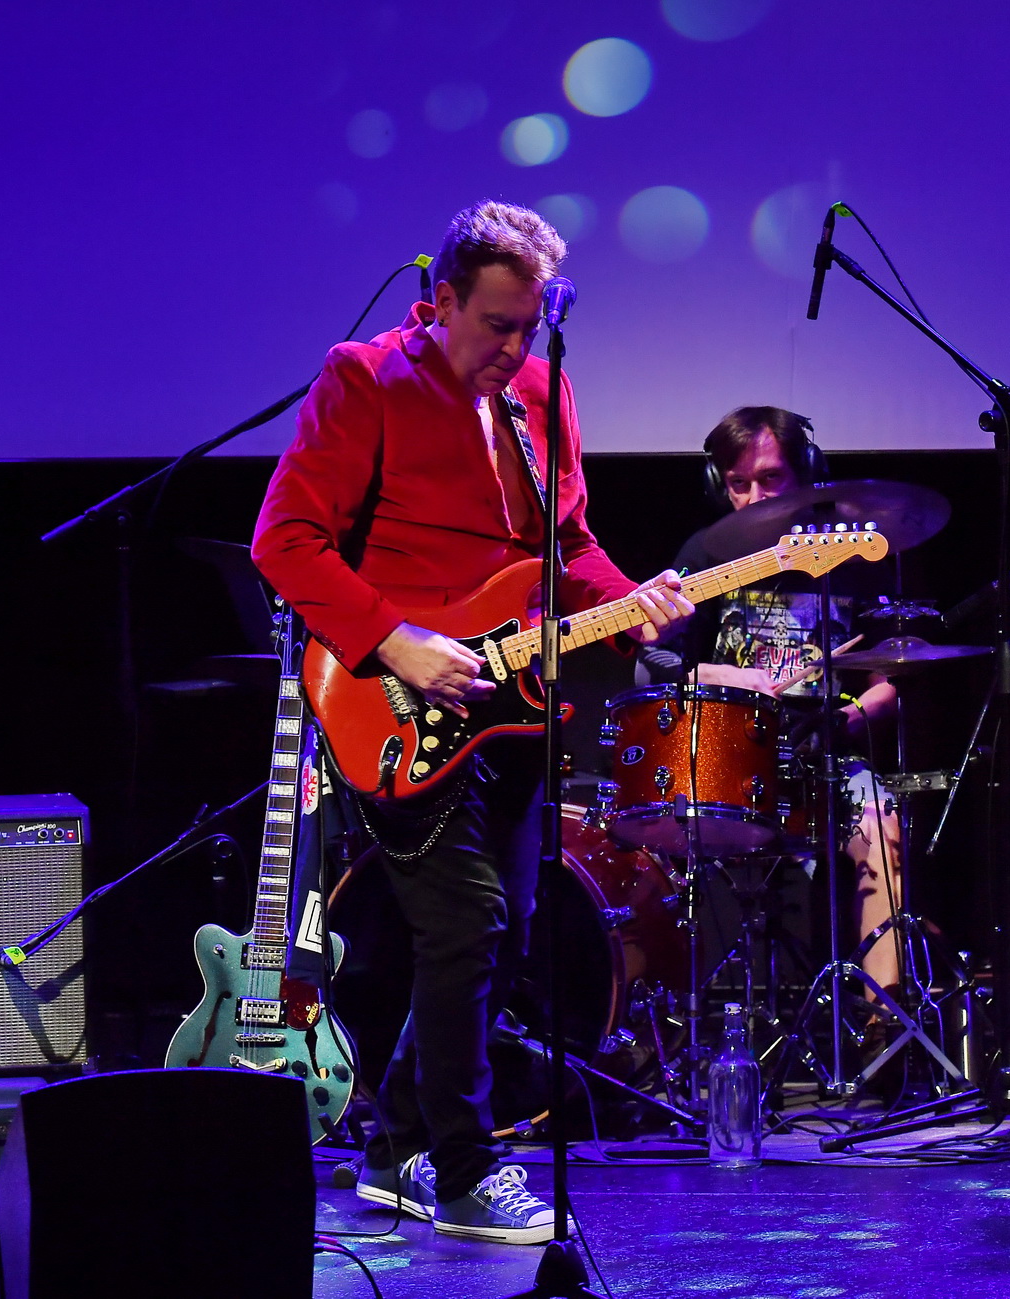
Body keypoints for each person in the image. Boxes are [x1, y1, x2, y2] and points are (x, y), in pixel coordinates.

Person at [252, 200, 693, 1244]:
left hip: (512, 711)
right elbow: (285, 539)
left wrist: (631, 600)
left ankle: (396, 1149)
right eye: (495, 325)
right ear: (440, 301)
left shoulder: (540, 391)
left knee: (504, 932)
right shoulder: (365, 378)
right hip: (394, 706)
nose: (513, 348)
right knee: (466, 925)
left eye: (529, 327)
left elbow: (567, 545)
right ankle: (461, 1169)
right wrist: (394, 640)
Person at [637, 407, 906, 993]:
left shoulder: (849, 555)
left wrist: (850, 718)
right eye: (738, 484)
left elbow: (891, 681)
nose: (754, 498)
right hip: (723, 760)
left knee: (882, 828)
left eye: (770, 479)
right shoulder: (706, 553)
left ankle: (883, 1022)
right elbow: (651, 660)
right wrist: (717, 675)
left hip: (823, 759)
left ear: (805, 474)